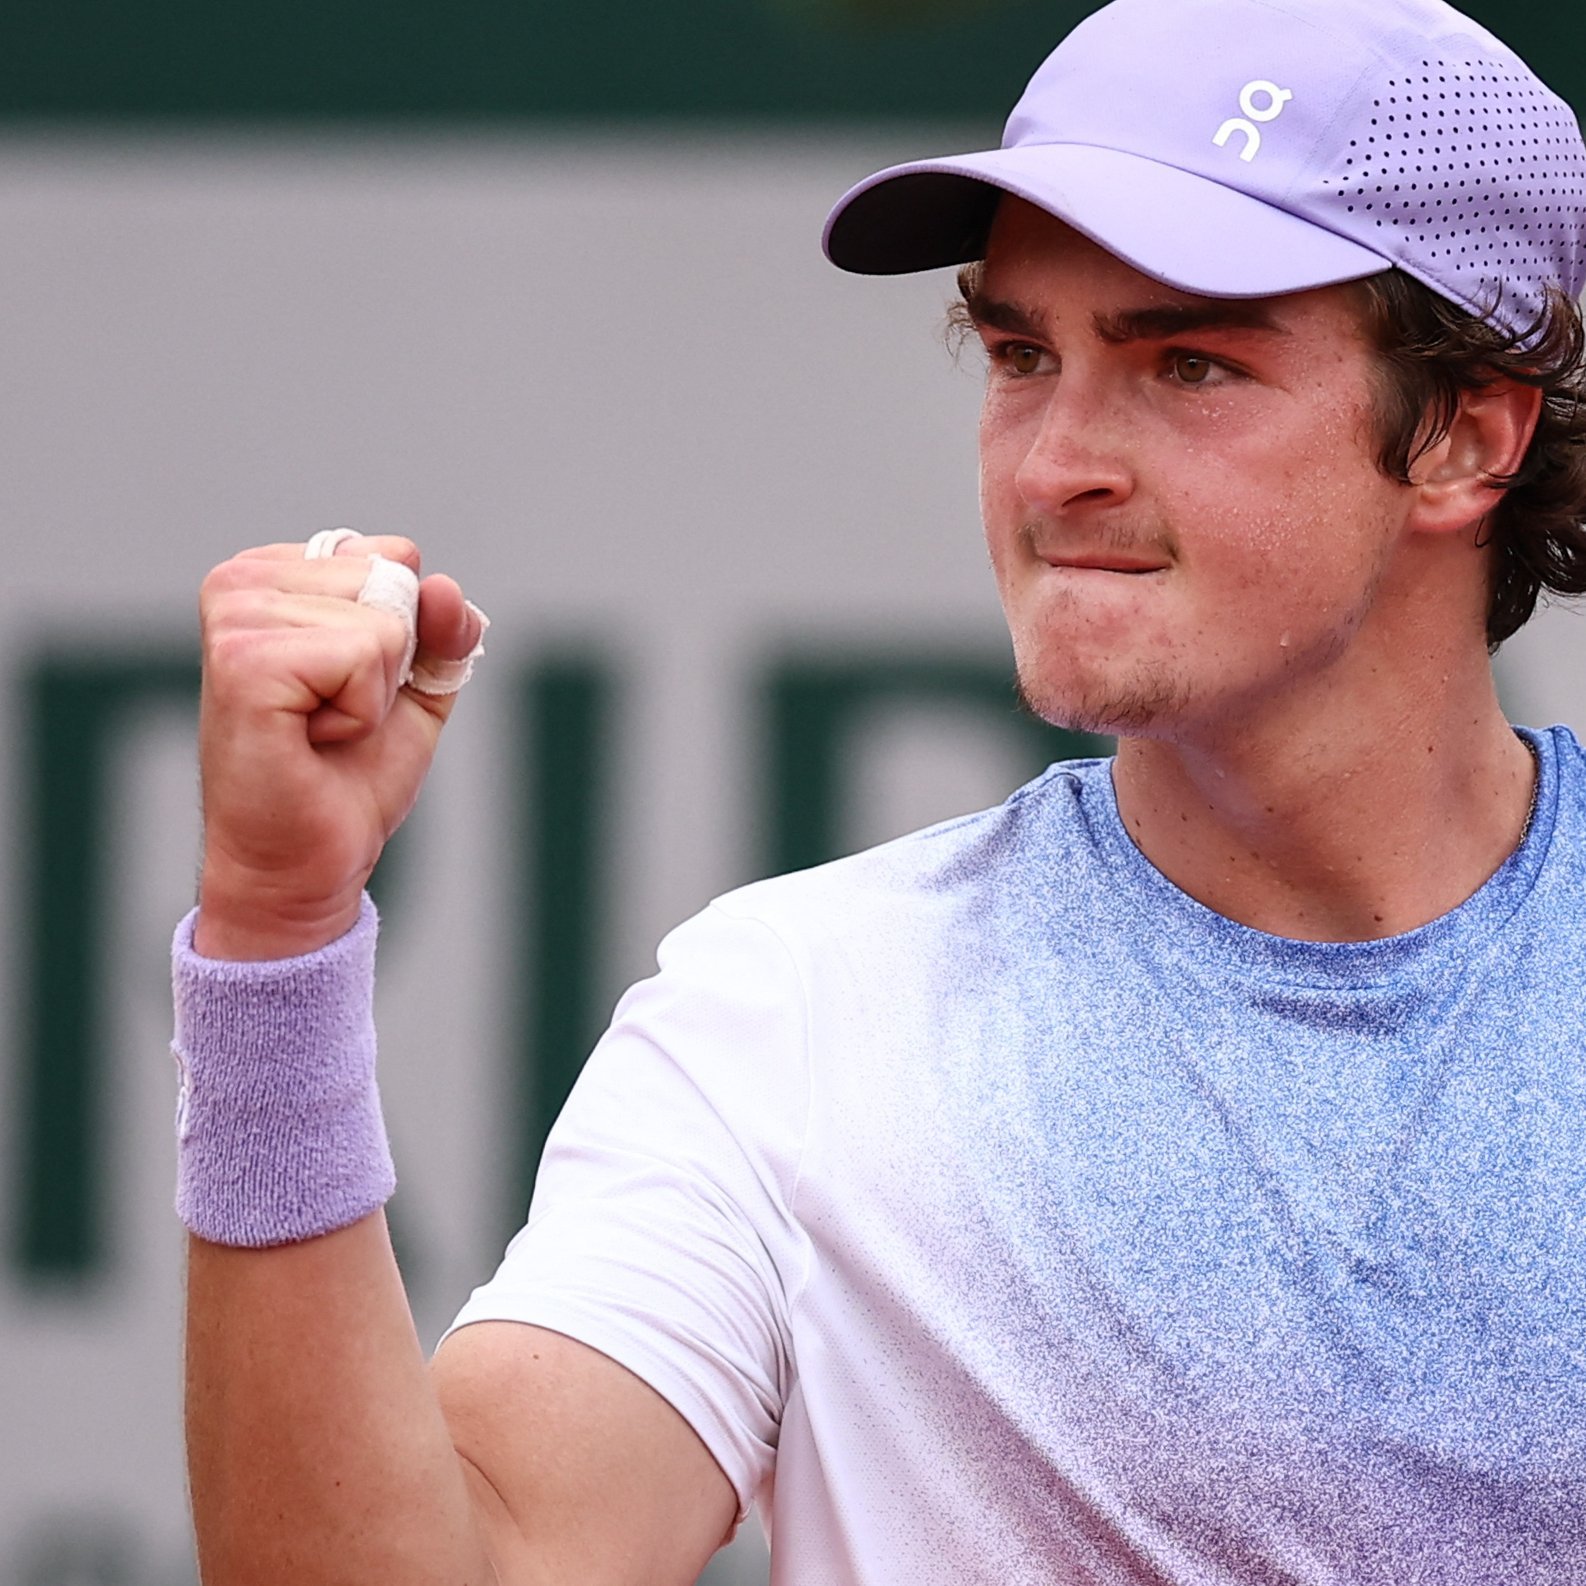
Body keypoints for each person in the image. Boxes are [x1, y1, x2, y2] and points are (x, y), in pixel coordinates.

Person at [176, 0, 1586, 1579]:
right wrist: (275, 937)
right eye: (1021, 355)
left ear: (1464, 437)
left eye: (1188, 363)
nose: (1051, 465)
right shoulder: (802, 1017)